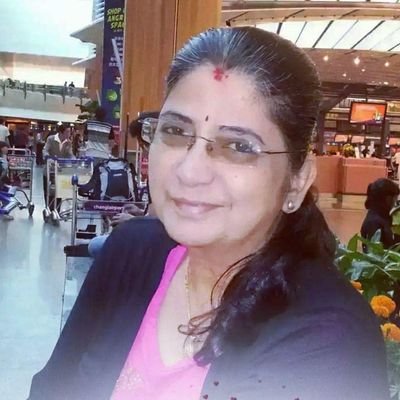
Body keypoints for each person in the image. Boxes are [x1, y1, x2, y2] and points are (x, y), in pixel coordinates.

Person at [29, 27, 389, 400]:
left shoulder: (328, 343)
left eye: (238, 146)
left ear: (297, 181)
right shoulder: (128, 253)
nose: (190, 171)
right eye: (175, 131)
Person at [361, 178, 400, 251]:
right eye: (395, 198)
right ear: (388, 199)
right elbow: (376, 253)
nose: (395, 203)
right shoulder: (374, 222)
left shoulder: (382, 217)